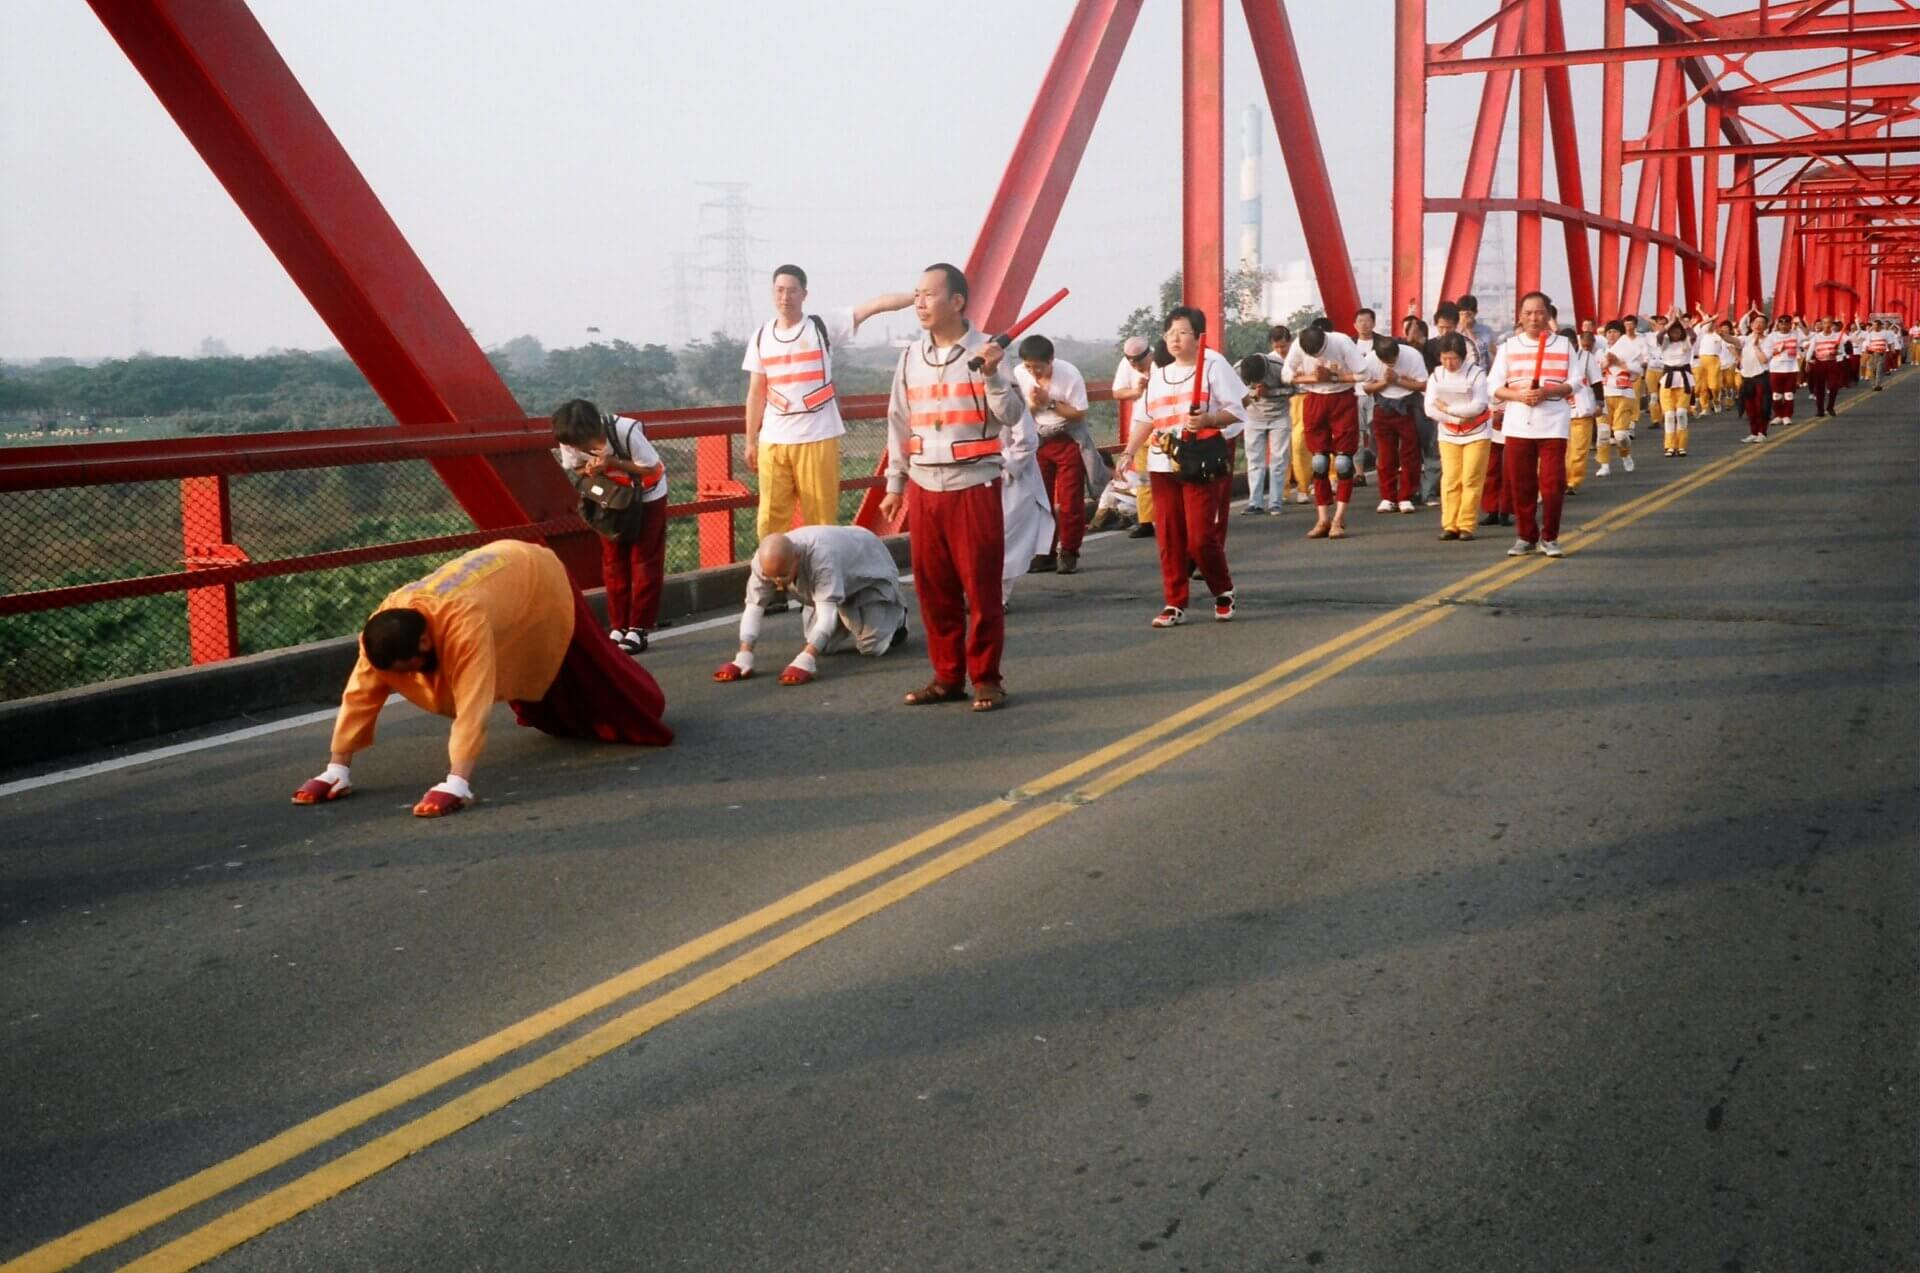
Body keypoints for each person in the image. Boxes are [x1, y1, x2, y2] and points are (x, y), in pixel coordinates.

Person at [292, 540, 672, 817]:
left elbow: (472, 703)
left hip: (537, 576)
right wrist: (336, 769)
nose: (405, 679)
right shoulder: (385, 627)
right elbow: (359, 696)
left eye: (408, 668)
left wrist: (456, 782)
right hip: (500, 579)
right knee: (546, 679)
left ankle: (640, 705)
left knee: (590, 665)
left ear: (426, 640)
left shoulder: (462, 622)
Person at [878, 263, 1031, 712]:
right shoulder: (909, 358)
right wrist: (894, 484)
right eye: (916, 294)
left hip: (975, 486)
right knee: (933, 587)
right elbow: (897, 422)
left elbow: (1012, 416)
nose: (919, 303)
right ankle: (947, 676)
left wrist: (993, 376)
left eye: (928, 295)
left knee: (981, 589)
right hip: (924, 488)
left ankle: (986, 678)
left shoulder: (988, 355)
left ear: (958, 301)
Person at [742, 266, 913, 541]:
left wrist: (919, 297)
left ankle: (821, 575)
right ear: (773, 293)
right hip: (773, 440)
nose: (786, 296)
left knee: (820, 518)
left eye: (792, 290)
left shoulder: (821, 326)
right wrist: (751, 440)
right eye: (780, 290)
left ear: (804, 294)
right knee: (770, 519)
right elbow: (755, 392)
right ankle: (773, 577)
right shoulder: (761, 336)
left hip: (818, 437)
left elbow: (874, 306)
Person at [1110, 305, 1247, 626]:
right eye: (1170, 333)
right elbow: (1145, 418)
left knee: (1200, 536)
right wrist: (1128, 452)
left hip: (1199, 462)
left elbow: (1237, 411)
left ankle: (1223, 588)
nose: (1174, 339)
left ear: (1198, 337)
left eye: (1182, 332)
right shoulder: (1159, 375)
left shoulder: (1214, 365)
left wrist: (1210, 419)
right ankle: (1174, 601)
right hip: (1162, 465)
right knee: (1169, 535)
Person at [712, 526, 909, 686]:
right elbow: (754, 608)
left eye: (782, 576)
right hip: (833, 582)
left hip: (866, 575)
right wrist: (743, 655)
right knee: (824, 647)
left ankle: (899, 616)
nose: (777, 584)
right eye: (771, 577)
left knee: (871, 647)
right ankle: (836, 606)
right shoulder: (764, 561)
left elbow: (825, 617)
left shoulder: (822, 557)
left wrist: (806, 659)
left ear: (796, 558)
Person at [551, 398, 667, 654]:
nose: (577, 448)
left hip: (646, 496)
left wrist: (611, 463)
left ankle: (638, 628)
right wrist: (591, 470)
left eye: (580, 443)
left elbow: (651, 468)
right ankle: (618, 625)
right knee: (613, 561)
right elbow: (575, 468)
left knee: (643, 559)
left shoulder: (624, 431)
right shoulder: (569, 438)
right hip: (611, 498)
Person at [1014, 334, 1109, 574]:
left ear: (1051, 360)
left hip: (1067, 438)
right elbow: (1018, 411)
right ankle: (1043, 552)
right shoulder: (1019, 374)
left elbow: (1079, 414)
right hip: (1038, 440)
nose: (1034, 372)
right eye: (1029, 367)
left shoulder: (1069, 374)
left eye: (1039, 367)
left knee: (1070, 499)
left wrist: (1050, 402)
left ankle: (1068, 550)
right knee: (1039, 499)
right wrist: (1035, 405)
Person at [1491, 291, 1576, 558]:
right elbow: (1493, 386)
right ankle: (1525, 535)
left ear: (1548, 315)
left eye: (1539, 312)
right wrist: (1518, 395)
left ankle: (1550, 537)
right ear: (1520, 316)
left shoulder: (1563, 345)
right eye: (1528, 313)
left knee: (1552, 484)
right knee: (1522, 484)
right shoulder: (1508, 347)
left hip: (1553, 423)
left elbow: (1575, 382)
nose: (1534, 318)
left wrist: (1548, 392)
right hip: (1518, 423)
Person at [1284, 323, 1369, 538]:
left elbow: (1364, 374)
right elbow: (1286, 375)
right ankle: (1322, 518)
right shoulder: (1299, 345)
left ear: (1325, 340)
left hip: (1342, 398)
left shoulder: (1340, 341)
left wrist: (1333, 377)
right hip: (1314, 399)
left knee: (1343, 462)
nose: (1314, 356)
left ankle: (1338, 519)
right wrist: (1311, 378)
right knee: (1319, 462)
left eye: (1318, 353)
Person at [1424, 332, 1491, 540]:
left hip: (1477, 433)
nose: (1449, 363)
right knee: (1451, 479)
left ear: (1462, 356)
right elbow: (1430, 408)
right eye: (1444, 358)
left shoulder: (1476, 374)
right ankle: (1450, 524)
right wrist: (1456, 418)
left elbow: (1479, 406)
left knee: (1471, 478)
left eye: (1453, 358)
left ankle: (1467, 524)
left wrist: (1448, 408)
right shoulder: (1436, 375)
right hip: (1449, 433)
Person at [1361, 334, 1429, 514]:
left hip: (1408, 405)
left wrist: (1398, 380)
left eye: (1393, 361)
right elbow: (1366, 388)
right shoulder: (1370, 359)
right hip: (1383, 406)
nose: (1391, 364)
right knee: (1385, 455)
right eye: (1387, 362)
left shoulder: (1412, 355)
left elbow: (1423, 385)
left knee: (1410, 453)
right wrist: (1385, 382)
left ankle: (1406, 496)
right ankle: (1388, 497)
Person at [1239, 325, 1294, 515]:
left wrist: (1270, 392)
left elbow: (1294, 389)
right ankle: (1255, 502)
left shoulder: (1279, 367)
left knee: (1278, 460)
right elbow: (1231, 391)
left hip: (1279, 415)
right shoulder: (1239, 368)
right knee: (1254, 460)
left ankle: (1276, 502)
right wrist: (1253, 393)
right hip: (1253, 417)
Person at [1111, 335, 1157, 539]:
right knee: (1144, 478)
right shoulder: (1126, 364)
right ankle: (1146, 521)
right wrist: (1136, 390)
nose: (1134, 365)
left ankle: (1169, 518)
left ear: (1149, 353)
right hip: (1140, 429)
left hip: (1162, 430)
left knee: (1167, 477)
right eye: (1130, 361)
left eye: (1138, 361)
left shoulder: (1163, 362)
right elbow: (1117, 392)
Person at [1596, 318, 1641, 477]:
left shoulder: (1630, 351)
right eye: (1609, 332)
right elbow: (1594, 370)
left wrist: (1622, 364)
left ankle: (1625, 454)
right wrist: (1606, 363)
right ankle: (1604, 465)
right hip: (1605, 394)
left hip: (1624, 394)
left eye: (1615, 331)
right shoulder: (1600, 352)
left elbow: (1638, 372)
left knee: (1621, 435)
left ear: (1621, 334)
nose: (1611, 335)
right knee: (1603, 433)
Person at [1565, 326, 1603, 493]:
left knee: (1579, 449)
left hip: (1582, 409)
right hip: (1562, 411)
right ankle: (1561, 479)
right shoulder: (1557, 359)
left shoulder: (1586, 357)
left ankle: (1573, 481)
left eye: (1571, 343)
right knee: (1564, 451)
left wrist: (1600, 403)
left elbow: (1596, 382)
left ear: (1576, 342)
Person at [1655, 316, 1695, 457]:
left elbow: (1693, 335)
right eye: (1673, 332)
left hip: (1684, 380)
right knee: (1670, 415)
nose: (1675, 334)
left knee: (1681, 413)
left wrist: (1685, 324)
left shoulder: (1686, 342)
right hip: (1668, 380)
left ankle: (1681, 445)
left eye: (1678, 332)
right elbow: (1659, 335)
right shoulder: (1665, 342)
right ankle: (1670, 446)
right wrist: (1670, 323)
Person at [1762, 313, 1804, 435]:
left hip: (1790, 367)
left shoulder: (1796, 335)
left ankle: (1787, 415)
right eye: (1782, 323)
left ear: (1790, 324)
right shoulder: (1771, 337)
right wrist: (1776, 350)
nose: (1784, 326)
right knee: (1776, 395)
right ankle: (1778, 415)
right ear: (1778, 324)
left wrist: (1800, 321)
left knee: (1789, 394)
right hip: (1775, 367)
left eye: (1787, 323)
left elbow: (1806, 337)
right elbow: (1767, 351)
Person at [1735, 310, 1772, 441]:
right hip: (1747, 377)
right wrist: (1722, 334)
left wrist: (1756, 347)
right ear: (1751, 325)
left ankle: (1762, 432)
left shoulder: (1768, 341)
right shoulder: (1745, 339)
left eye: (1762, 323)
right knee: (1750, 408)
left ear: (1766, 327)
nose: (1758, 325)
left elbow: (1764, 360)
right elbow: (1732, 340)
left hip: (1761, 377)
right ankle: (1754, 432)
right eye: (1756, 322)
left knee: (1761, 406)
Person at [1807, 319, 1845, 417]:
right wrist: (1808, 362)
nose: (1827, 325)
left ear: (1832, 325)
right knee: (1819, 388)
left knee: (1833, 386)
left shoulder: (1837, 337)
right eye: (1825, 323)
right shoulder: (1816, 337)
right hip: (1820, 363)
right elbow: (1811, 350)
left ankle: (1830, 407)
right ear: (1822, 325)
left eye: (1829, 323)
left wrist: (1837, 353)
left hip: (1832, 363)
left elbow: (1842, 351)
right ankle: (1820, 409)